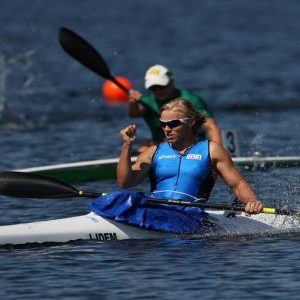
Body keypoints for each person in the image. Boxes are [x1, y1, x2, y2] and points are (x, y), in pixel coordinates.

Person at [89, 98, 263, 234]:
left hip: (189, 214)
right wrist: (127, 145)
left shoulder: (212, 150)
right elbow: (124, 181)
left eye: (173, 124)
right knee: (119, 196)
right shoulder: (153, 151)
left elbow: (237, 184)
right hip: (154, 207)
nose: (167, 129)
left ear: (191, 122)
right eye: (163, 124)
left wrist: (252, 203)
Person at [128, 64, 223, 151]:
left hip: (191, 144)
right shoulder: (147, 101)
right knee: (145, 145)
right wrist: (133, 102)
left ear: (172, 81)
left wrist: (217, 155)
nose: (158, 91)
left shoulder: (191, 99)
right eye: (153, 88)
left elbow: (212, 128)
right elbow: (134, 114)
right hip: (163, 144)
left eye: (162, 86)